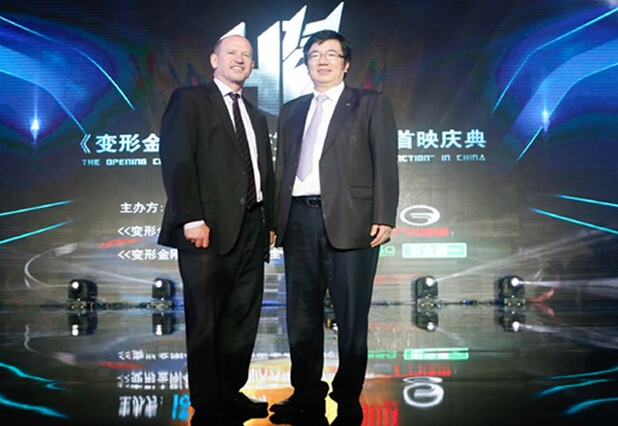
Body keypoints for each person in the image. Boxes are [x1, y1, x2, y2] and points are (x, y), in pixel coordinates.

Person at [272, 30, 399, 424]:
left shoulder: (370, 103)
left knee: (351, 316)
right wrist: (276, 221)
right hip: (298, 220)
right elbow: (282, 169)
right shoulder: (292, 111)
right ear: (306, 63)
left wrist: (384, 214)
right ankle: (306, 393)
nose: (322, 61)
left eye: (331, 54)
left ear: (346, 64)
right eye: (314, 54)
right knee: (301, 316)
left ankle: (348, 397)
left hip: (353, 220)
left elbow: (385, 162)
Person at [158, 34, 275, 423]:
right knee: (206, 318)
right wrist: (191, 217)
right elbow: (177, 161)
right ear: (214, 59)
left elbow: (263, 173)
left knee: (242, 317)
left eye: (246, 55)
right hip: (205, 228)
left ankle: (230, 391)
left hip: (252, 227)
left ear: (252, 65)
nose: (240, 59)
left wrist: (270, 222)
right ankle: (208, 400)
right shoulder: (190, 100)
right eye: (232, 53)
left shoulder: (255, 115)